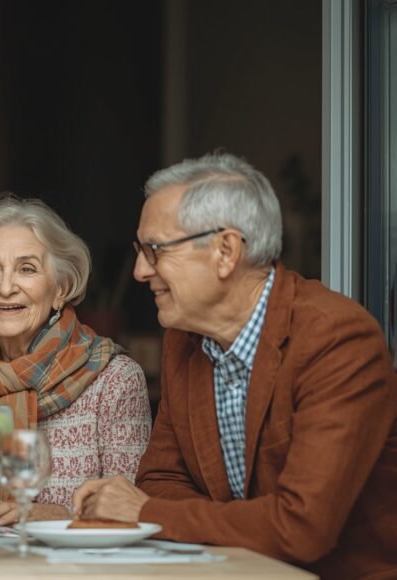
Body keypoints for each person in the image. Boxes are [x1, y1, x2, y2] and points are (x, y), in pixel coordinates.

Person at [72, 152, 397, 579]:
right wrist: (236, 521)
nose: (139, 271)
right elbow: (160, 479)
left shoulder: (335, 339)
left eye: (154, 250)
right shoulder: (183, 341)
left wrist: (147, 513)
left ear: (226, 251)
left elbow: (302, 528)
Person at [0, 195, 151, 525]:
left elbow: (129, 510)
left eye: (27, 269)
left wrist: (57, 515)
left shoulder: (115, 379)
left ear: (60, 289)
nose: (6, 286)